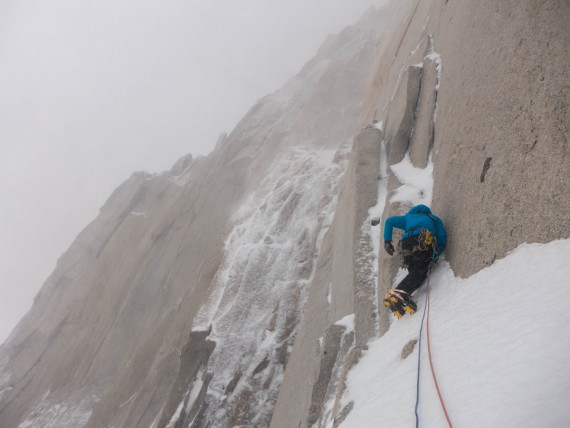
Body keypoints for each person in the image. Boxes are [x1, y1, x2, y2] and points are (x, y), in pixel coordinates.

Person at [380, 204, 447, 318]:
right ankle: (400, 293)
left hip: (406, 245)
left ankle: (398, 298)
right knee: (419, 272)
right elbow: (441, 237)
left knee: (415, 273)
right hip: (421, 242)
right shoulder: (432, 218)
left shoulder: (407, 218)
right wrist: (436, 254)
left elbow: (389, 221)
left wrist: (387, 240)